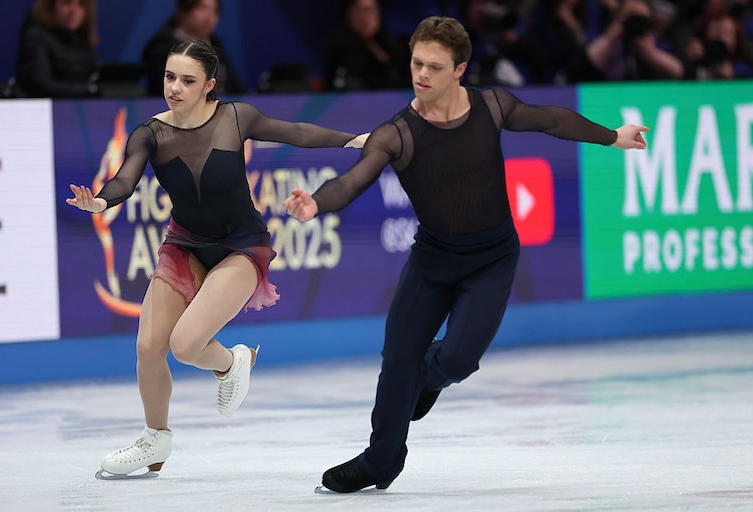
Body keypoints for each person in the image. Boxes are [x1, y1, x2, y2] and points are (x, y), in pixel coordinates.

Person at [283, 15, 649, 493]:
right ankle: (380, 461)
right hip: (432, 261)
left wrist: (612, 136)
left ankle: (426, 380)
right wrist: (316, 202)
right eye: (416, 63)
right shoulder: (396, 133)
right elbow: (354, 179)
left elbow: (552, 120)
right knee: (397, 361)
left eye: (435, 67)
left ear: (460, 69)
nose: (422, 75)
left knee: (453, 361)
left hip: (492, 259)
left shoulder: (492, 106)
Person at [66, 39, 366, 479]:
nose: (175, 87)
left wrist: (357, 139)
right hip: (185, 244)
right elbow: (125, 179)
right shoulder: (150, 133)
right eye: (170, 77)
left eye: (187, 80)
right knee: (149, 348)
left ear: (209, 84)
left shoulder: (235, 117)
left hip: (240, 246)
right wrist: (101, 203)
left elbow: (297, 132)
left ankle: (232, 362)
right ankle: (155, 436)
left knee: (185, 346)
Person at [141, 0, 246, 97]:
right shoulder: (162, 49)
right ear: (183, 10)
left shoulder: (217, 48)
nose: (209, 16)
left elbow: (237, 90)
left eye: (215, 10)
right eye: (202, 8)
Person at [565, 0, 684, 82]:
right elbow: (583, 66)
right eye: (629, 17)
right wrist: (617, 28)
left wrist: (649, 52)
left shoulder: (659, 41)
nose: (634, 23)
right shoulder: (608, 38)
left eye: (640, 18)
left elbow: (678, 71)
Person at [11, 0, 102, 98]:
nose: (73, 11)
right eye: (66, 3)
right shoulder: (36, 39)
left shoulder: (83, 42)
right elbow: (40, 86)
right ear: (50, 7)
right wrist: (90, 90)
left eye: (81, 4)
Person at [323, 0, 411, 91]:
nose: (366, 17)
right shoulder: (339, 52)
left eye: (371, 10)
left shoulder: (395, 46)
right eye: (360, 10)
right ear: (347, 13)